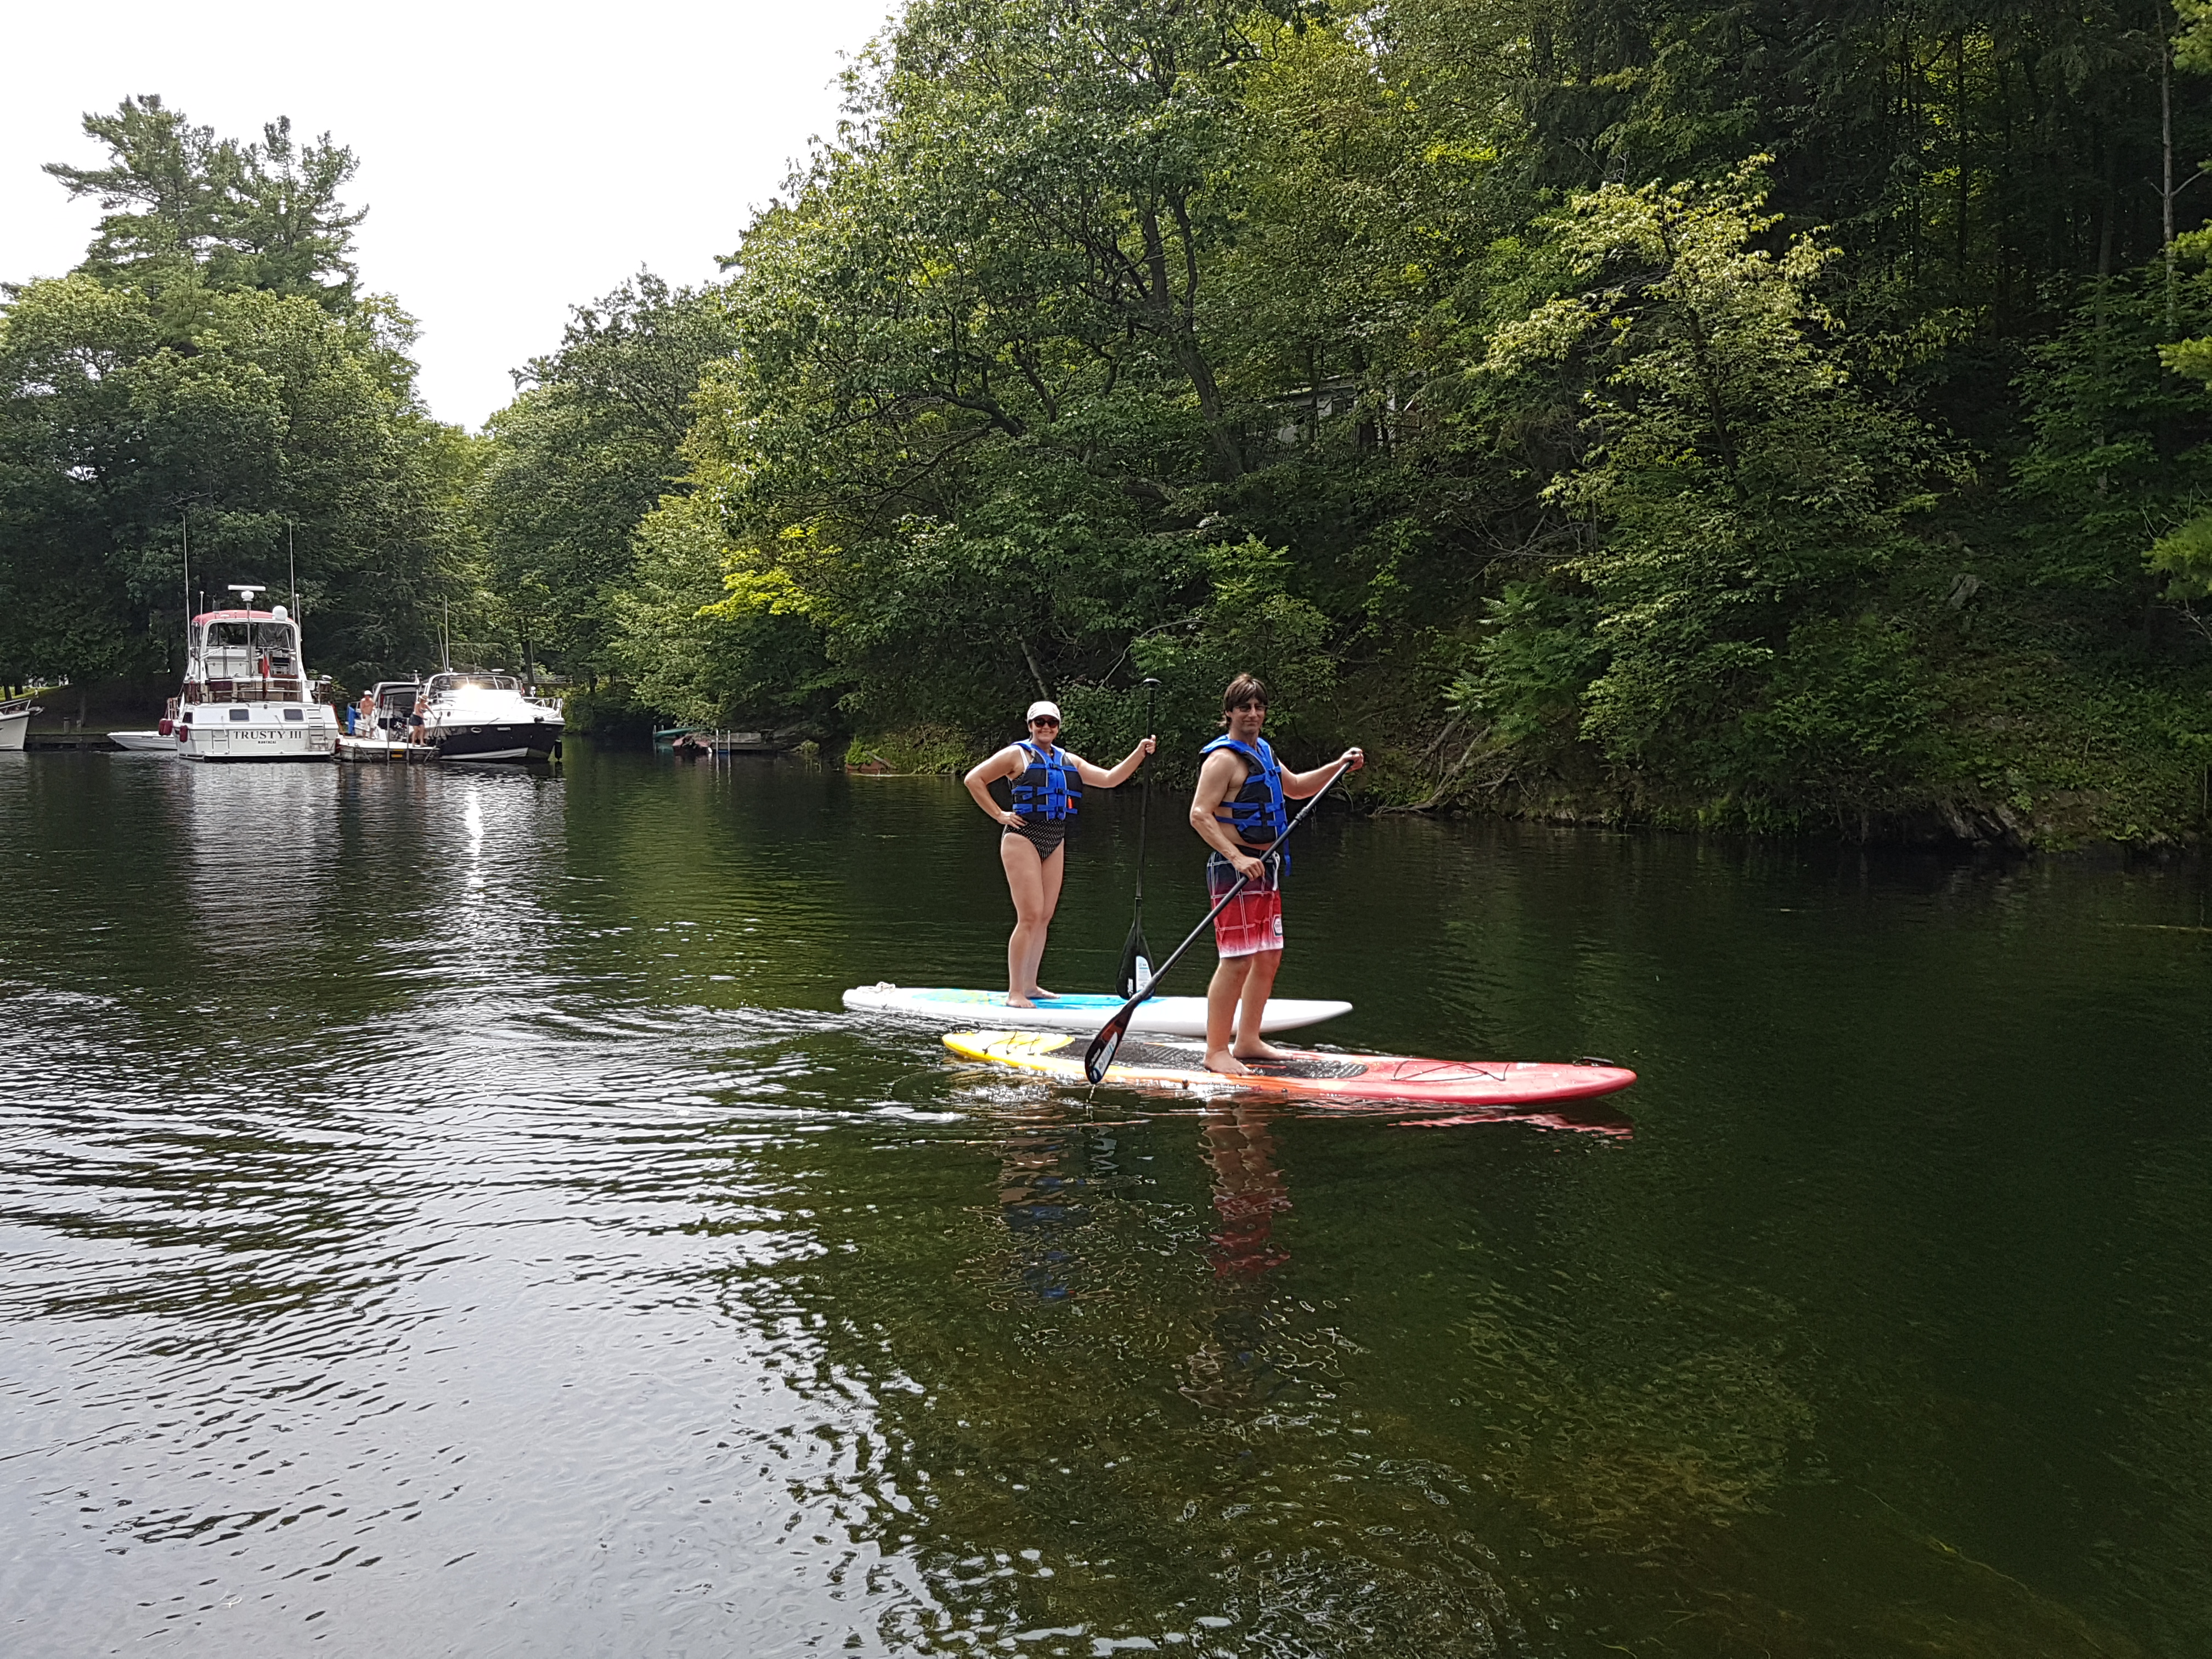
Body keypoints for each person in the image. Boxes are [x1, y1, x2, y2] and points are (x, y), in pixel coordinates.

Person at [1188, 673, 1362, 1075]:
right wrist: (1235, 857)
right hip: (1235, 869)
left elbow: (1297, 788)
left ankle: (1247, 1040)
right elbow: (1199, 815)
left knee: (1268, 957)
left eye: (1259, 707)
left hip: (1266, 868)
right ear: (1229, 712)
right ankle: (1216, 1051)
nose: (1252, 714)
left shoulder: (1263, 751)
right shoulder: (1223, 760)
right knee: (1237, 960)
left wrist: (1339, 766)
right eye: (1244, 707)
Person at [963, 699, 1156, 1009]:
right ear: (1030, 726)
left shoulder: (1068, 760)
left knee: (1045, 916)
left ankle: (1031, 985)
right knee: (1029, 915)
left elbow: (1110, 779)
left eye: (1051, 723)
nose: (1046, 728)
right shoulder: (1017, 755)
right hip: (1022, 837)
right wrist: (1000, 814)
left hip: (1055, 837)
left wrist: (1139, 752)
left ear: (1058, 727)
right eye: (1040, 723)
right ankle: (1015, 992)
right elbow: (974, 779)